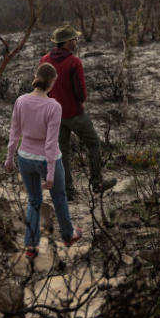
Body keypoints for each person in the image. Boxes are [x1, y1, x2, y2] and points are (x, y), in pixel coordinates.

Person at [4, 62, 82, 258]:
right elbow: (50, 142)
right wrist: (49, 173)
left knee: (34, 200)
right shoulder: (54, 106)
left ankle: (31, 246)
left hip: (25, 158)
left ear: (36, 77)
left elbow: (14, 133)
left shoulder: (21, 101)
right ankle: (68, 235)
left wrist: (9, 159)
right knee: (59, 198)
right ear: (52, 83)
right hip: (48, 161)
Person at [41, 25, 116, 201]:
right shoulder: (74, 62)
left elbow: (43, 88)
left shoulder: (44, 60)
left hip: (54, 114)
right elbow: (81, 93)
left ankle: (68, 191)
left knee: (63, 152)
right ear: (67, 42)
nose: (76, 41)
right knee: (93, 144)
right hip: (74, 113)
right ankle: (97, 183)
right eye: (74, 39)